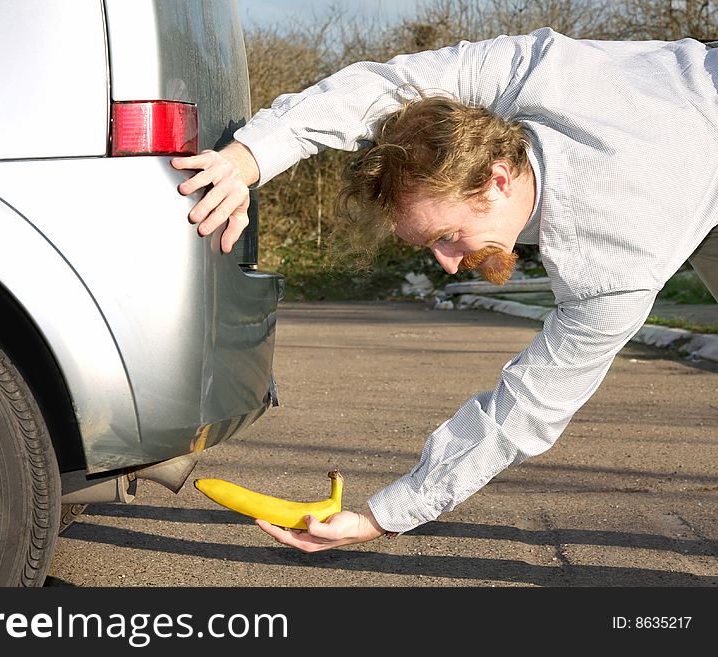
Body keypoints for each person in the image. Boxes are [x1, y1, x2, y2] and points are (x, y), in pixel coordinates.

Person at [171, 27, 718, 552]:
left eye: (448, 237)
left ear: (498, 179)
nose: (451, 266)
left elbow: (523, 410)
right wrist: (249, 158)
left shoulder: (613, 263)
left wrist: (384, 516)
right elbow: (384, 87)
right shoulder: (535, 74)